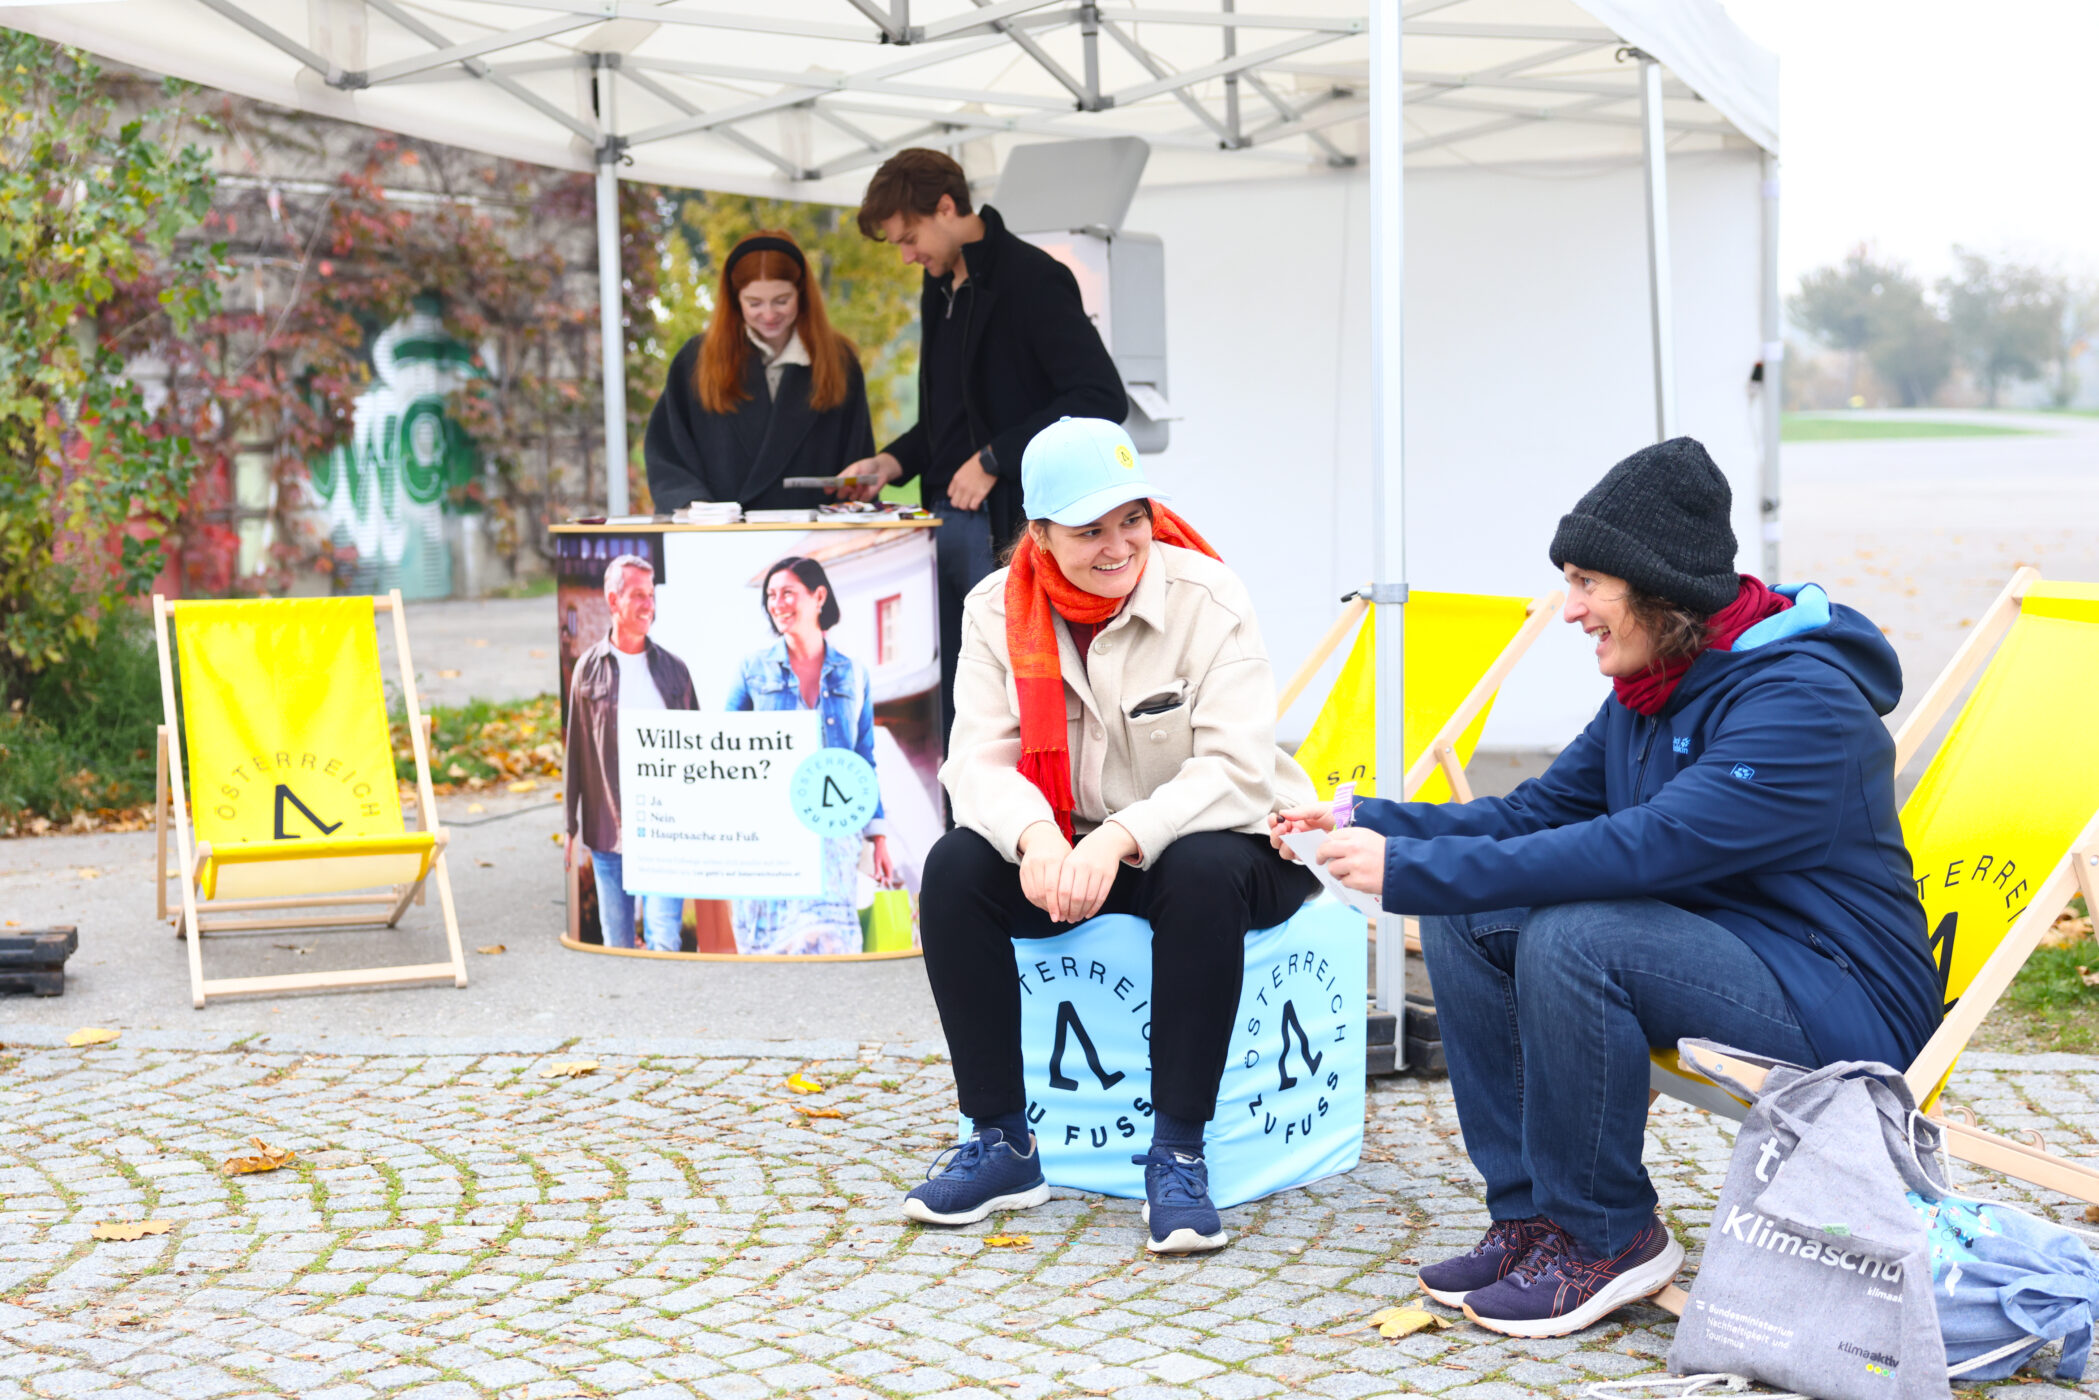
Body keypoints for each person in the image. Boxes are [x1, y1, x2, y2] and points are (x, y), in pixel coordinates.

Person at [1272, 438, 1942, 1338]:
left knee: (1577, 934)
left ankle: (1608, 1234)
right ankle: (1533, 1219)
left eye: (1587, 581)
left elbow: (1649, 848)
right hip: (1720, 949)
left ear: (1657, 586)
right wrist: (1381, 822)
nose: (1568, 609)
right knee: (1474, 915)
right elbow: (1539, 813)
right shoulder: (1656, 682)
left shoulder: (1799, 703)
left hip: (1839, 996)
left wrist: (1411, 872)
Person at [904, 416, 1318, 1256]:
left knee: (1201, 871)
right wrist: (1036, 842)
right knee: (953, 867)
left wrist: (1115, 840)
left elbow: (1236, 768)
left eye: (1131, 518)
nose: (1118, 544)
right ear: (1040, 534)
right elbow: (974, 764)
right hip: (1071, 845)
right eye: (1088, 530)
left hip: (1225, 837)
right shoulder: (993, 609)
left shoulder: (1207, 595)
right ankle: (1001, 1143)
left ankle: (1176, 1151)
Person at [841, 149, 1127, 745]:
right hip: (940, 524)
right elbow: (953, 421)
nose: (907, 255)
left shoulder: (1034, 279)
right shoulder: (938, 286)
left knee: (1004, 699)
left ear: (947, 208)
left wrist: (997, 459)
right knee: (953, 697)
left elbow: (1100, 397)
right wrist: (892, 461)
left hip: (1008, 531)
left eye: (910, 237)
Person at [725, 555, 894, 955]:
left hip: (832, 830)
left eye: (788, 593)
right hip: (770, 830)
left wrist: (879, 836)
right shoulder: (752, 668)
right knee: (769, 950)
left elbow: (862, 761)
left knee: (828, 944)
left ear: (819, 596)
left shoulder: (854, 673)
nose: (777, 603)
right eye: (771, 595)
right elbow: (727, 747)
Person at [644, 229, 875, 514]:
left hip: (812, 541)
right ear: (734, 299)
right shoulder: (696, 360)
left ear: (801, 293)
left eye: (781, 301)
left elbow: (857, 461)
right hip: (719, 539)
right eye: (754, 303)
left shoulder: (840, 362)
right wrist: (698, 509)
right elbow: (668, 454)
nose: (768, 315)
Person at [564, 554, 700, 952]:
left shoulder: (676, 671)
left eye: (651, 595)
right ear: (613, 601)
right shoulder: (586, 670)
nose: (648, 605)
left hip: (668, 832)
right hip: (609, 828)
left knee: (665, 942)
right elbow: (576, 752)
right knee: (617, 945)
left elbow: (702, 748)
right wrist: (570, 827)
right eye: (638, 595)